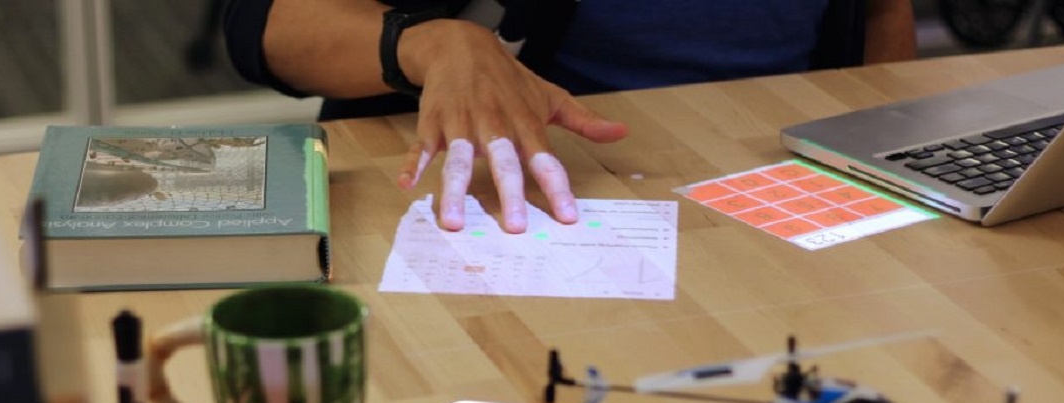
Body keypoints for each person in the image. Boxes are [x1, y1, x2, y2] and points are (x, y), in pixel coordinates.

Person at [224, 0, 916, 233]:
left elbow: (882, 13)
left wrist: (893, 151)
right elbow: (265, 23)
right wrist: (430, 45)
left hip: (785, 184)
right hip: (562, 192)